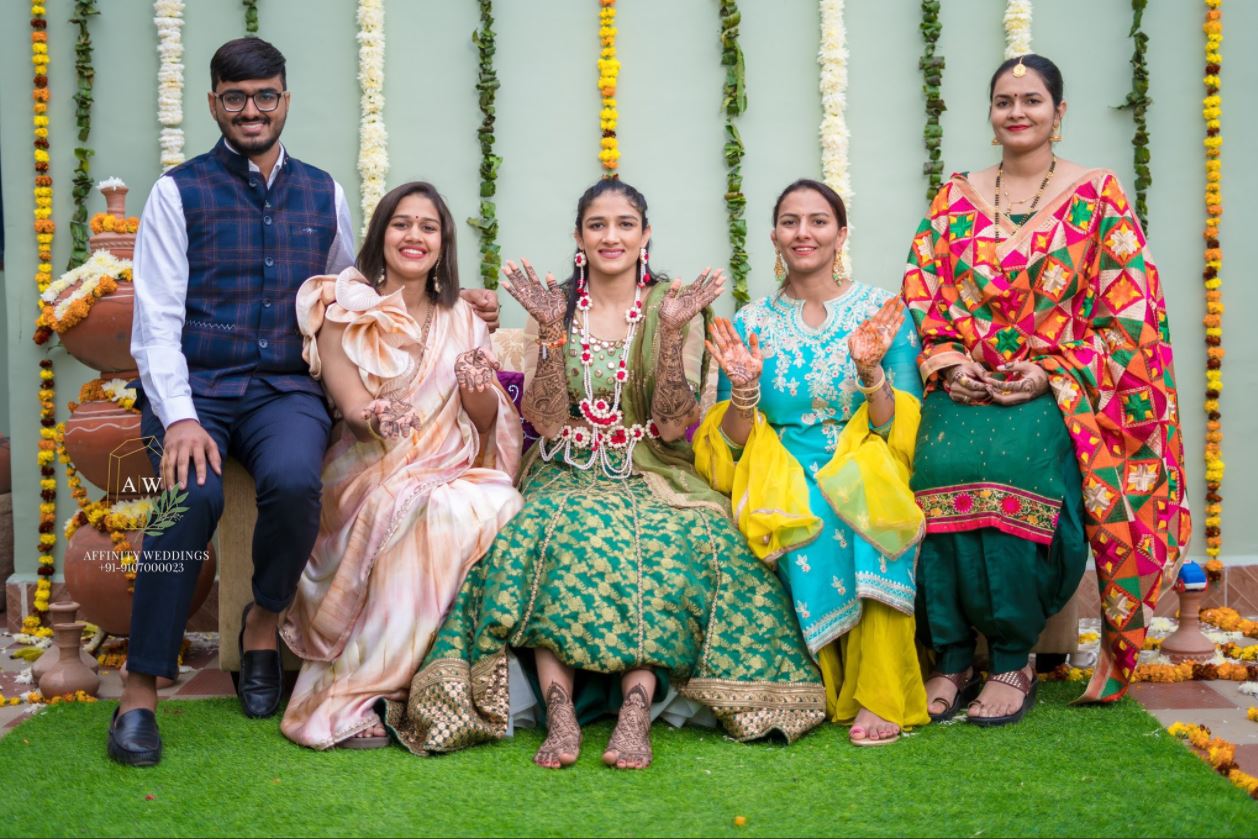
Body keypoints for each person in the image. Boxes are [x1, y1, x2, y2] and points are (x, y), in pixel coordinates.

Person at [110, 37, 499, 767]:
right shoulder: (177, 193)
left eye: (265, 96)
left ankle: (263, 621)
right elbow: (155, 322)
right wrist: (181, 416)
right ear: (214, 104)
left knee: (295, 483)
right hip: (197, 387)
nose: (251, 110)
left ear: (284, 100)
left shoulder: (324, 193)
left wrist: (451, 297)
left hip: (284, 390)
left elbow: (351, 293)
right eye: (235, 97)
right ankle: (139, 692)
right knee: (188, 499)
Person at [385, 179, 826, 769]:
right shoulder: (555, 306)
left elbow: (673, 425)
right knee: (545, 536)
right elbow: (544, 420)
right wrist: (550, 332)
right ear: (579, 236)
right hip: (564, 466)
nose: (610, 236)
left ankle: (636, 710)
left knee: (680, 539)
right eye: (597, 225)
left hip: (652, 469)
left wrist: (671, 336)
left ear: (645, 234)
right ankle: (560, 713)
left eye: (624, 224)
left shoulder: (674, 306)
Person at [900, 53, 1190, 724]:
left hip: (1062, 387)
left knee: (1013, 468)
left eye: (1032, 100)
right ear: (990, 113)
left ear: (1058, 113)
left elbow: (1132, 314)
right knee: (935, 467)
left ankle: (1012, 654)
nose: (1017, 111)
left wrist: (1052, 371)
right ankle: (950, 654)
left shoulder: (1098, 196)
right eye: (1004, 100)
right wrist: (949, 362)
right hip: (966, 383)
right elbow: (922, 287)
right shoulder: (955, 197)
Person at [279, 182, 523, 749]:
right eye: (402, 223)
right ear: (380, 235)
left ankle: (441, 682)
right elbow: (352, 407)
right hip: (365, 470)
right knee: (428, 510)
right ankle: (359, 691)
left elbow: (485, 423)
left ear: (443, 244)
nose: (415, 236)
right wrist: (379, 417)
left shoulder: (464, 319)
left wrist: (477, 387)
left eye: (428, 227)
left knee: (496, 502)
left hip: (447, 465)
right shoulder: (343, 313)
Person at [694, 179, 929, 746]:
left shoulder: (880, 313)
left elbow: (896, 430)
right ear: (774, 235)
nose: (804, 232)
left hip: (863, 459)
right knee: (812, 509)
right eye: (791, 221)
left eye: (819, 221)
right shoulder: (751, 322)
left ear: (841, 234)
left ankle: (876, 693)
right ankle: (818, 684)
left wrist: (871, 373)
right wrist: (744, 391)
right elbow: (729, 446)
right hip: (778, 470)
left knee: (871, 509)